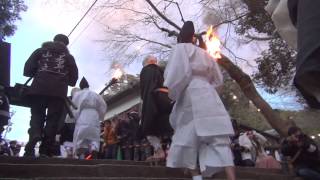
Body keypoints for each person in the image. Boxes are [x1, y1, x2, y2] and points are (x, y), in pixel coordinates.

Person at [164, 21, 236, 180]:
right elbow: (218, 80)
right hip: (209, 93)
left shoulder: (181, 48)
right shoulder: (206, 54)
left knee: (185, 135)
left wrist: (173, 93)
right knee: (219, 138)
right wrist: (210, 90)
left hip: (191, 92)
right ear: (194, 38)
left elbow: (178, 74)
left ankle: (196, 176)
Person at [23, 34, 78, 157]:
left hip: (38, 89)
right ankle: (44, 150)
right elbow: (73, 80)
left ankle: (35, 135)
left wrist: (39, 71)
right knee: (52, 120)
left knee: (37, 115)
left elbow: (27, 70)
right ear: (66, 45)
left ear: (53, 41)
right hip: (58, 92)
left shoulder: (40, 51)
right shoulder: (68, 57)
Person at [140, 55, 173, 162]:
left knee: (148, 127)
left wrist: (146, 105)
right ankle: (172, 152)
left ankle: (159, 151)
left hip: (153, 99)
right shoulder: (163, 71)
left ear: (147, 62)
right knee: (167, 125)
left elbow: (148, 88)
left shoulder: (147, 69)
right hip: (167, 99)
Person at [72, 77, 107, 159]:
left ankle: (80, 154)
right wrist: (100, 115)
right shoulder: (95, 94)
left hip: (83, 114)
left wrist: (74, 117)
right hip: (94, 116)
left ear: (81, 87)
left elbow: (74, 108)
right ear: (88, 85)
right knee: (94, 136)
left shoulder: (78, 94)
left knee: (81, 134)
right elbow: (103, 106)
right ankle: (94, 149)